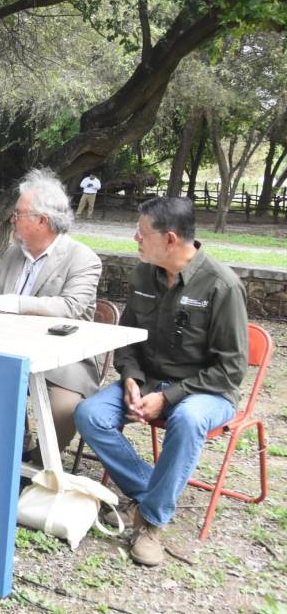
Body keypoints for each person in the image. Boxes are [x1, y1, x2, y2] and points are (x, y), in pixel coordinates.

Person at [74, 197, 247, 567]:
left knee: (187, 420)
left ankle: (150, 521)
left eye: (142, 232)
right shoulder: (143, 274)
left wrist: (168, 398)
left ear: (170, 239)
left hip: (206, 390)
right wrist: (132, 378)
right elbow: (128, 340)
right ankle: (152, 489)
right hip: (150, 381)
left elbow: (231, 370)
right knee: (89, 413)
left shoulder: (222, 286)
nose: (135, 238)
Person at [0, 168, 102, 461]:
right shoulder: (14, 253)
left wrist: (8, 303)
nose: (12, 219)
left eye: (19, 214)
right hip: (7, 353)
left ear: (42, 221)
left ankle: (39, 468)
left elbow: (71, 308)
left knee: (61, 410)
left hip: (62, 361)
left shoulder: (82, 258)